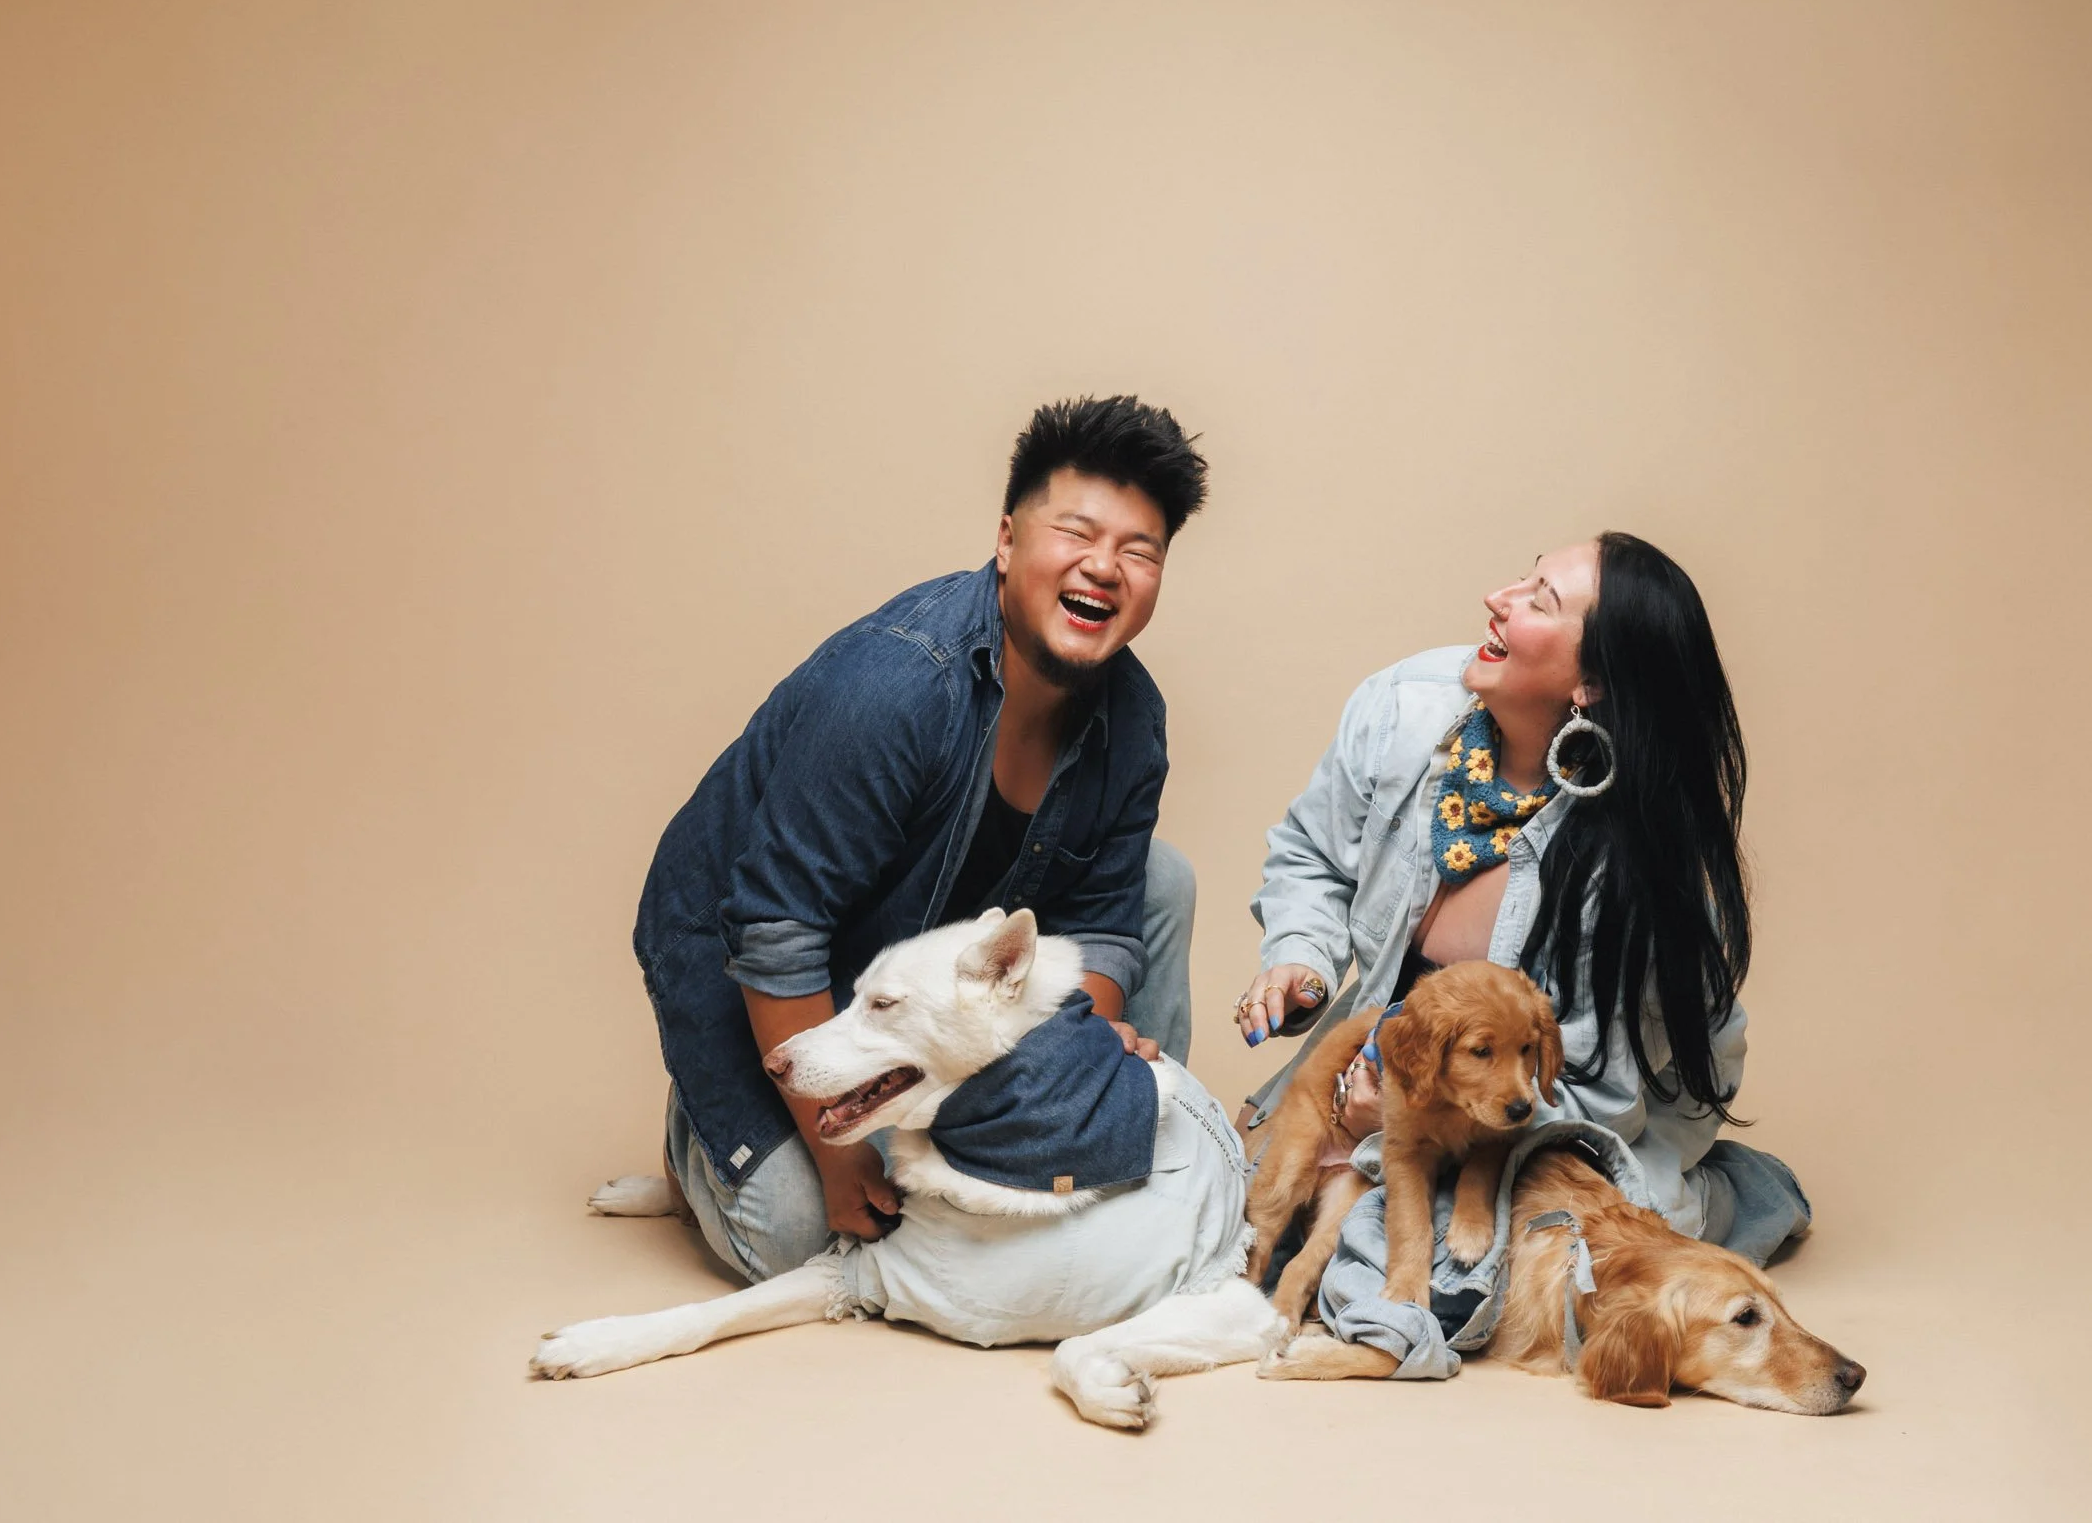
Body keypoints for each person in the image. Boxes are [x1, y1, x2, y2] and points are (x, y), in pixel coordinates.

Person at [634, 396, 1208, 1284]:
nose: (1106, 568)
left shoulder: (1134, 717)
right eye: (1078, 534)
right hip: (749, 962)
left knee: (1161, 880)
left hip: (921, 970)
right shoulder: (898, 686)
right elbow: (778, 927)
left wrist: (1076, 1058)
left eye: (1140, 552)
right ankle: (701, 1147)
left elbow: (1104, 923)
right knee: (800, 1237)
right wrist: (831, 1154)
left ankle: (1113, 1144)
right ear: (1009, 540)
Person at [1233, 533, 1809, 1268]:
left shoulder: (1634, 866)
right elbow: (1312, 852)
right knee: (1246, 1217)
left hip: (1578, 1111)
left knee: (1461, 1274)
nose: (1496, 599)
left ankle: (1737, 1193)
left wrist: (1412, 1115)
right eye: (1522, 577)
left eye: (1540, 600)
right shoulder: (1403, 708)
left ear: (1592, 683)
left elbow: (1602, 1094)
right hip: (1416, 1061)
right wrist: (1303, 963)